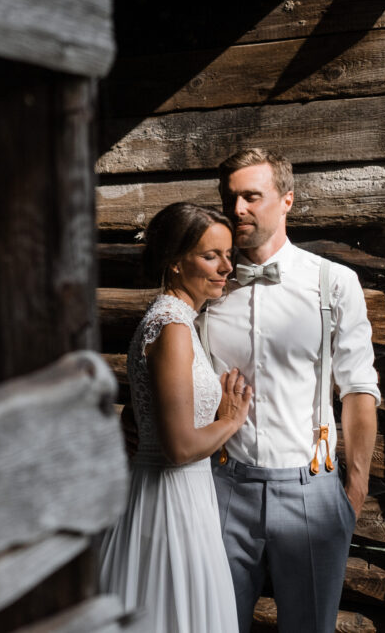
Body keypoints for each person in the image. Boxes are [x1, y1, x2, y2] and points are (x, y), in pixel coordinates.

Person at [200, 149, 380, 633]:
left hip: (310, 493)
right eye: (231, 198)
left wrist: (352, 494)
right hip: (223, 490)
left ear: (287, 201)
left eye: (251, 196)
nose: (238, 209)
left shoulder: (332, 282)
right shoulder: (211, 287)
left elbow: (359, 389)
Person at [99, 202, 251, 632]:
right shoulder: (172, 328)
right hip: (169, 499)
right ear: (174, 263)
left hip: (178, 494)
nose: (226, 266)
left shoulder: (172, 320)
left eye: (227, 254)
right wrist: (231, 420)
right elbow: (180, 447)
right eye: (210, 255)